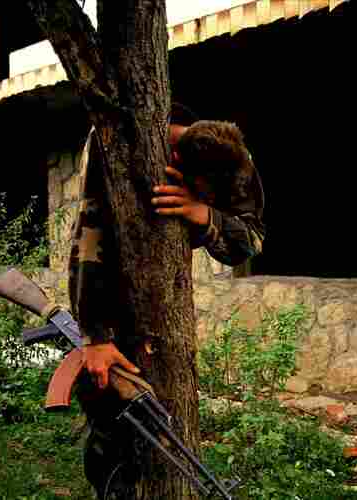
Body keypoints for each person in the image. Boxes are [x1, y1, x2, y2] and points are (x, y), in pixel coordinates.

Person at [66, 103, 265, 498]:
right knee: (110, 420)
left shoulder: (232, 158)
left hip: (167, 309)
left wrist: (205, 215)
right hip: (114, 295)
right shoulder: (116, 141)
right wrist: (94, 335)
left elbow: (252, 239)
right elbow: (90, 235)